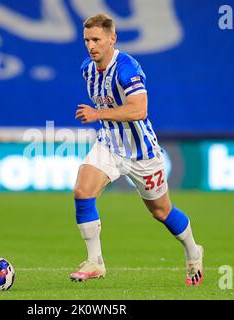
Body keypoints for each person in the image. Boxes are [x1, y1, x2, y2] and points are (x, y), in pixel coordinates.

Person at [70, 13, 204, 286]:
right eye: (86, 40)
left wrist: (98, 114)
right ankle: (95, 262)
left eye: (96, 39)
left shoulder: (127, 68)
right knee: (82, 192)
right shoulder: (87, 68)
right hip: (109, 144)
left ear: (112, 38)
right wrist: (102, 117)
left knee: (161, 212)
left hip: (141, 153)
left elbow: (139, 109)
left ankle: (193, 250)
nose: (91, 45)